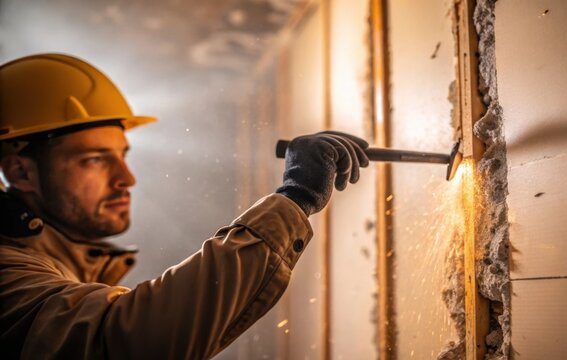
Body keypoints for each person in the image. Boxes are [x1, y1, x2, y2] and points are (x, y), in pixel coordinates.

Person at [0, 53, 369, 359]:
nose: (126, 178)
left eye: (122, 156)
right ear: (21, 171)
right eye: (95, 159)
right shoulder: (7, 275)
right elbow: (123, 340)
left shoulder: (56, 265)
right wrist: (295, 198)